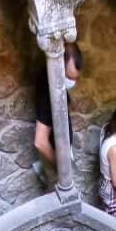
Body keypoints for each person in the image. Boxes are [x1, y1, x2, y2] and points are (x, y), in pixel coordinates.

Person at [33, 41, 84, 185]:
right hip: (57, 164)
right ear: (58, 66)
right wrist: (62, 168)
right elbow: (40, 142)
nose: (71, 83)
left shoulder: (54, 80)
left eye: (74, 79)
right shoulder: (47, 90)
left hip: (61, 152)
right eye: (68, 78)